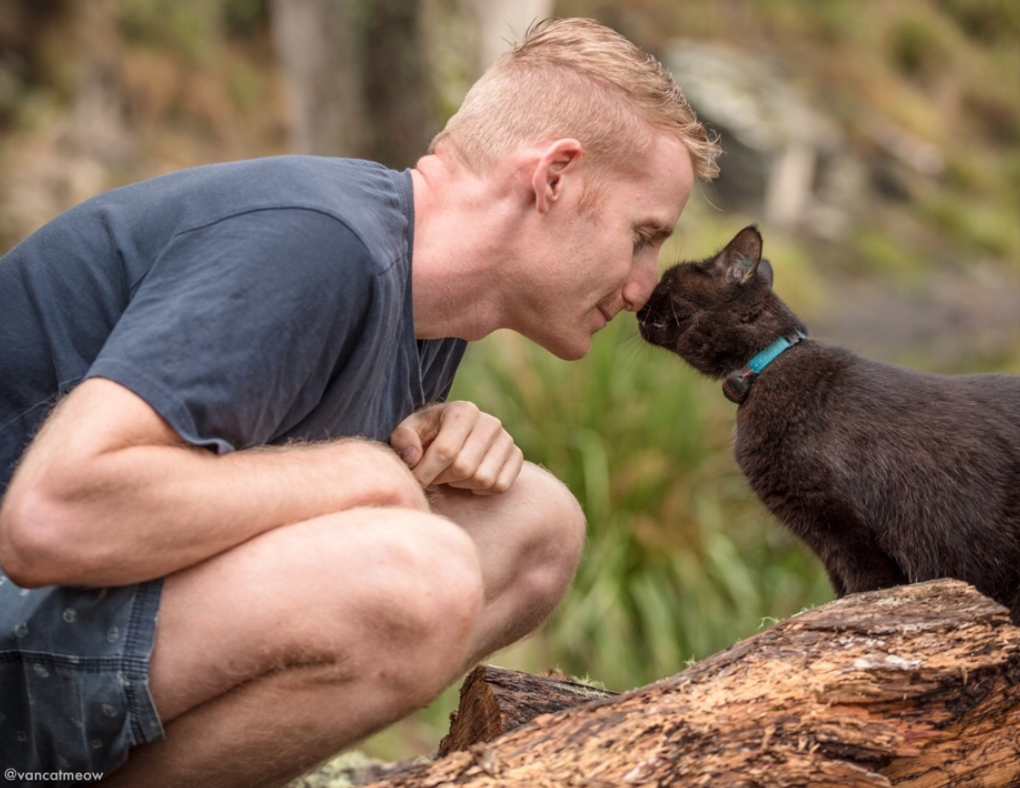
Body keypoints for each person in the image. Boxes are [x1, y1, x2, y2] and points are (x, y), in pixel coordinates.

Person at [0, 17, 720, 787]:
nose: (645, 284)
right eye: (642, 235)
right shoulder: (313, 242)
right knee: (419, 578)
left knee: (534, 525)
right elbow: (51, 517)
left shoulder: (422, 311)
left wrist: (420, 457)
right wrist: (361, 472)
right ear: (554, 178)